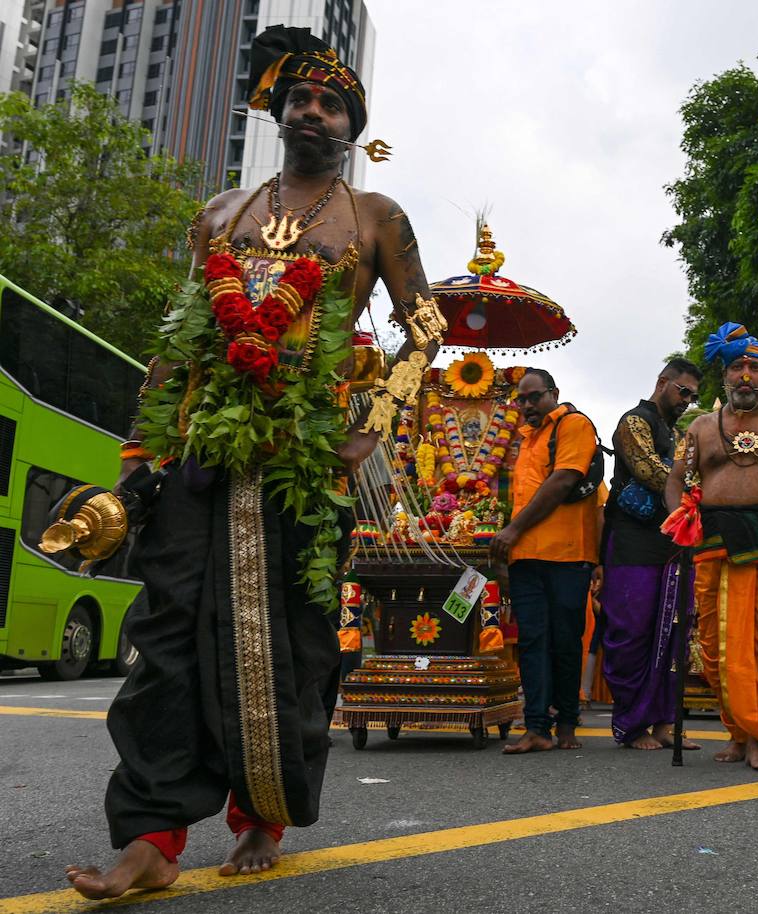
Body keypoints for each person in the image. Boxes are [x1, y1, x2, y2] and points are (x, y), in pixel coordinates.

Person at [65, 27, 440, 900]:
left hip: (304, 464)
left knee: (292, 642)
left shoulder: (376, 217)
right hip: (200, 452)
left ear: (352, 122)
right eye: (300, 99)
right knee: (165, 639)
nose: (313, 111)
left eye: (331, 102)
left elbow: (425, 328)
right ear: (275, 111)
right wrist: (140, 448)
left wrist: (373, 423)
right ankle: (151, 836)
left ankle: (260, 817)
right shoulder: (220, 213)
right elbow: (176, 340)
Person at [665, 322, 758, 771]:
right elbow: (677, 481)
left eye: (755, 368)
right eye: (737, 367)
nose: (746, 376)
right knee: (715, 645)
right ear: (724, 375)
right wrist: (679, 521)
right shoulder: (700, 429)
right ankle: (738, 733)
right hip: (714, 542)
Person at [491, 369, 601, 754]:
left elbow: (562, 481)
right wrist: (512, 542)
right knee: (533, 641)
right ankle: (537, 727)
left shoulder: (573, 424)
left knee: (566, 641)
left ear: (553, 393)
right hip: (526, 556)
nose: (526, 406)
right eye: (521, 400)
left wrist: (511, 530)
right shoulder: (527, 439)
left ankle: (567, 722)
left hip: (567, 554)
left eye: (533, 397)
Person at [600, 358, 704, 750]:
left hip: (671, 545)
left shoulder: (677, 432)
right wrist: (693, 486)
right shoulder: (634, 421)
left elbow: (679, 472)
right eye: (683, 391)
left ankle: (663, 721)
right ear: (663, 383)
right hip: (632, 544)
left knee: (675, 632)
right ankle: (632, 724)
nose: (687, 400)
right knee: (632, 633)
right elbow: (651, 471)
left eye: (693, 396)